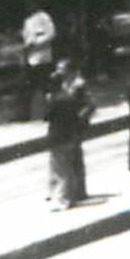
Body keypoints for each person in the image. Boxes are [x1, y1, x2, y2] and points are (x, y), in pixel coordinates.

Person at [45, 59, 92, 210]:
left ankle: (73, 192)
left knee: (70, 160)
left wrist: (80, 119)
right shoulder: (65, 87)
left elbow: (89, 104)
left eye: (61, 68)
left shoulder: (78, 84)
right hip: (71, 126)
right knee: (70, 159)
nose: (59, 71)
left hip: (72, 127)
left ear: (70, 70)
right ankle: (74, 191)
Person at [19, 0, 58, 121]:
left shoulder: (44, 17)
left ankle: (51, 111)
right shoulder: (27, 21)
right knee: (29, 86)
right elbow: (26, 38)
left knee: (46, 85)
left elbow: (51, 34)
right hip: (31, 58)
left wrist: (36, 42)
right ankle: (26, 113)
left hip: (43, 56)